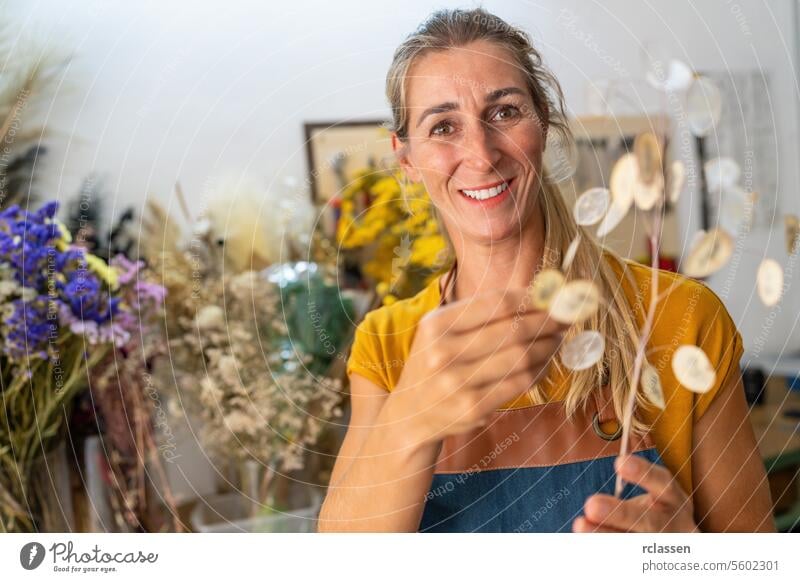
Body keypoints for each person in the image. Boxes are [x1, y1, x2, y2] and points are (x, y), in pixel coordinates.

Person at [317, 7, 775, 533]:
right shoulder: (389, 344)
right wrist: (408, 421)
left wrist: (682, 553)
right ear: (407, 160)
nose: (481, 154)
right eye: (443, 127)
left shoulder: (680, 317)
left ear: (544, 122)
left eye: (505, 112)